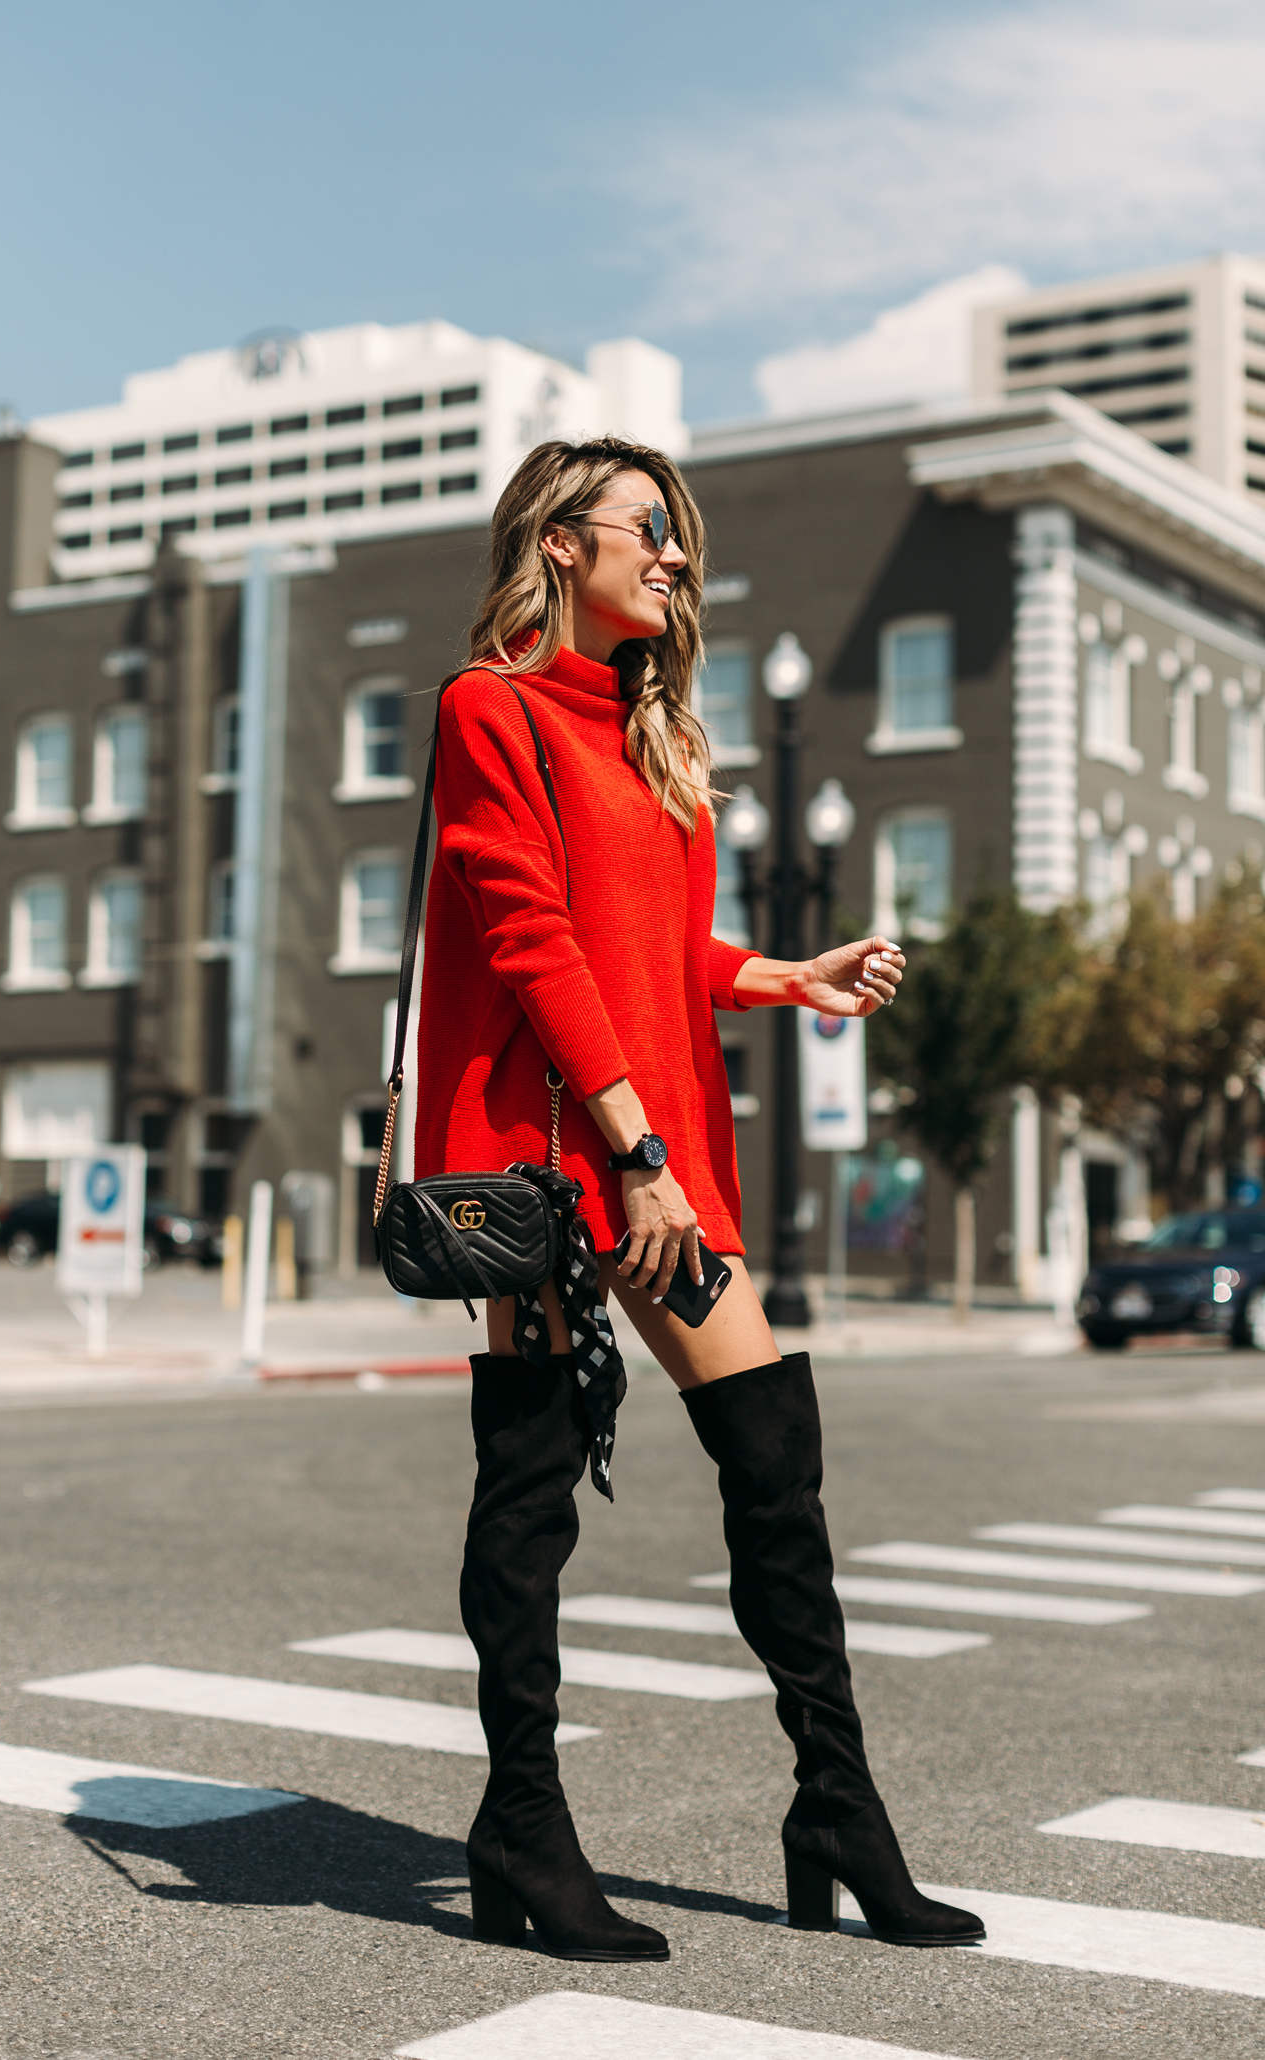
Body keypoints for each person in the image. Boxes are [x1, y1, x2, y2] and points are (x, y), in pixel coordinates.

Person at [415, 435, 983, 1964]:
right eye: (645, 533)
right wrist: (634, 1149)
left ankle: (838, 1813)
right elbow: (531, 940)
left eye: (680, 540)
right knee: (529, 1492)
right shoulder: (496, 710)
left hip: (659, 1152)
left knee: (774, 1460)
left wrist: (779, 977)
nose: (673, 557)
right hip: (560, 1158)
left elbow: (652, 954)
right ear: (559, 547)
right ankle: (524, 1827)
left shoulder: (651, 743)